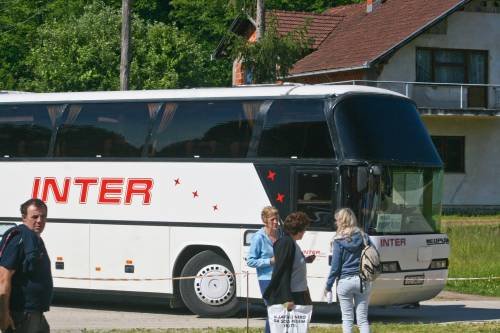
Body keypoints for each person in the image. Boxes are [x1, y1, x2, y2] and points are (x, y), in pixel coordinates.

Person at [0, 198, 53, 333]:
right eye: (35, 216)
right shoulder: (19, 239)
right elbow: (3, 279)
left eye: (43, 216)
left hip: (35, 312)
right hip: (22, 313)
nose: (40, 221)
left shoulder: (34, 239)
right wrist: (3, 314)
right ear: (24, 217)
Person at [325, 208, 372, 333]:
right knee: (362, 320)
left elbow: (335, 267)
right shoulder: (364, 237)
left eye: (337, 220)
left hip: (345, 282)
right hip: (363, 280)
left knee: (347, 319)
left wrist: (328, 286)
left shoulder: (338, 241)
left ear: (340, 221)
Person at [264, 211, 314, 311]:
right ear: (298, 229)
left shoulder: (293, 243)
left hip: (299, 291)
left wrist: (305, 260)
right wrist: (286, 298)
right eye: (304, 229)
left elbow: (292, 263)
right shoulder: (286, 243)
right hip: (292, 295)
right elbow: (282, 271)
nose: (305, 231)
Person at [247, 206, 279, 333]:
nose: (276, 222)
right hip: (266, 279)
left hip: (280, 277)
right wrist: (270, 261)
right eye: (272, 220)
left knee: (280, 311)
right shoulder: (258, 237)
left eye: (277, 219)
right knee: (272, 310)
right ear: (265, 221)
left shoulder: (280, 233)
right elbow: (250, 261)